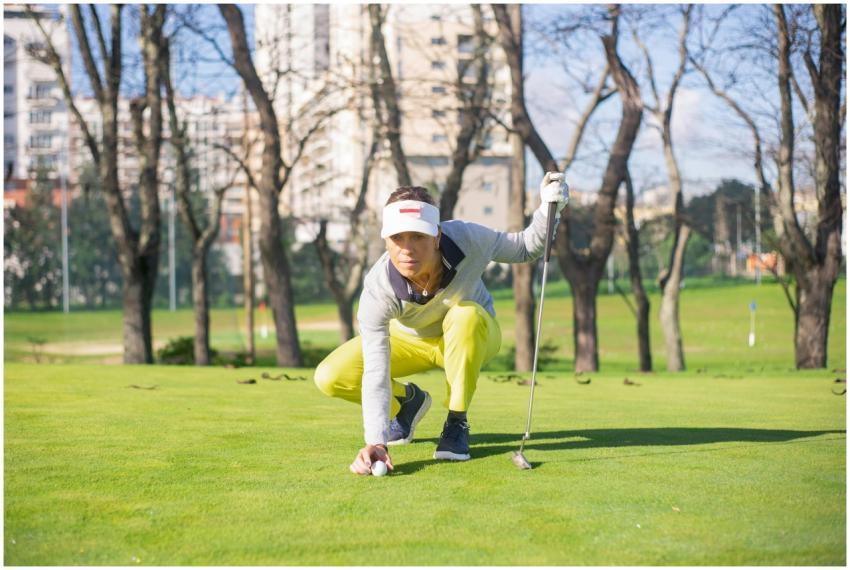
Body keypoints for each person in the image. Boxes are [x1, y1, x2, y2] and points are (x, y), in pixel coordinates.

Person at [313, 172, 569, 475]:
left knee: (465, 314)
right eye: (397, 238)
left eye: (418, 237)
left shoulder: (468, 238)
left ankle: (457, 422)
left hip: (473, 334)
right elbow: (376, 370)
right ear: (385, 240)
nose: (407, 249)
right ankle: (409, 404)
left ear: (436, 235)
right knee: (330, 376)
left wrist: (548, 210)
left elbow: (525, 247)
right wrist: (376, 441)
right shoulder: (377, 288)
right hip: (411, 341)